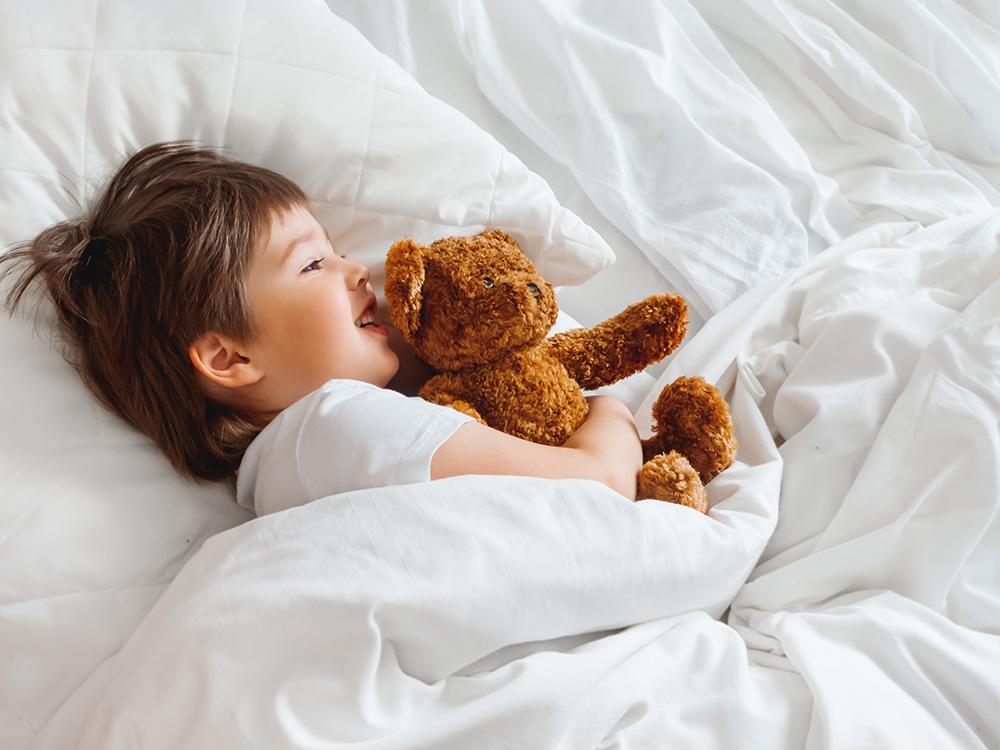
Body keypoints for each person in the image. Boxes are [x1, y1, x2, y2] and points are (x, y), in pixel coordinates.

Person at [1, 142, 642, 516]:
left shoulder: (289, 471)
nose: (358, 269)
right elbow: (603, 484)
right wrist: (607, 408)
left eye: (334, 248)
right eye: (312, 262)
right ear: (227, 358)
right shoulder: (339, 427)